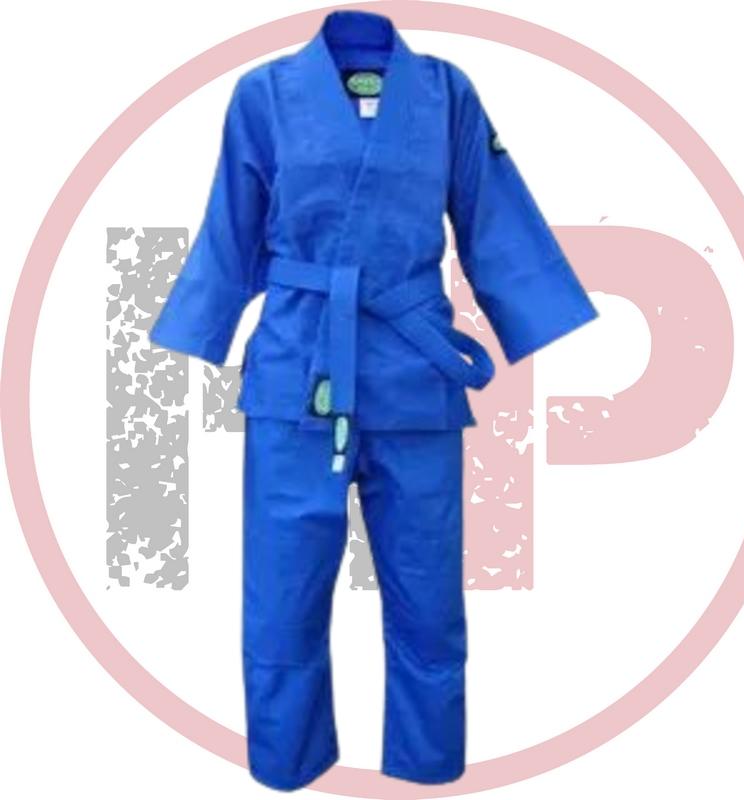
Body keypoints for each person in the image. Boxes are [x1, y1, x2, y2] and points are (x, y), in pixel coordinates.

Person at [149, 8, 599, 791]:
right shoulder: (264, 94)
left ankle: (426, 766)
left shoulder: (445, 93)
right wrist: (202, 324)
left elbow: (492, 212)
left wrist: (535, 313)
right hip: (297, 371)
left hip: (413, 374)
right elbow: (232, 223)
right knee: (282, 596)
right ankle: (289, 762)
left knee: (428, 597)